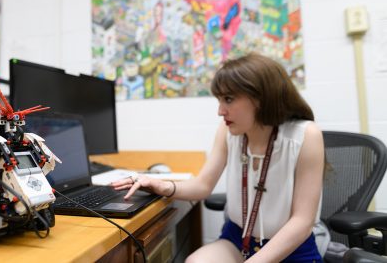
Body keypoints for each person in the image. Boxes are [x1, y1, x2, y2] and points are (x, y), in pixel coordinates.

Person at [111, 53, 325, 262]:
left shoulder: (305, 135)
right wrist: (164, 186)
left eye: (228, 99)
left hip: (290, 248)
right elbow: (203, 185)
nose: (220, 111)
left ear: (261, 97)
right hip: (238, 240)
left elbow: (302, 222)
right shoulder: (229, 132)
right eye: (219, 100)